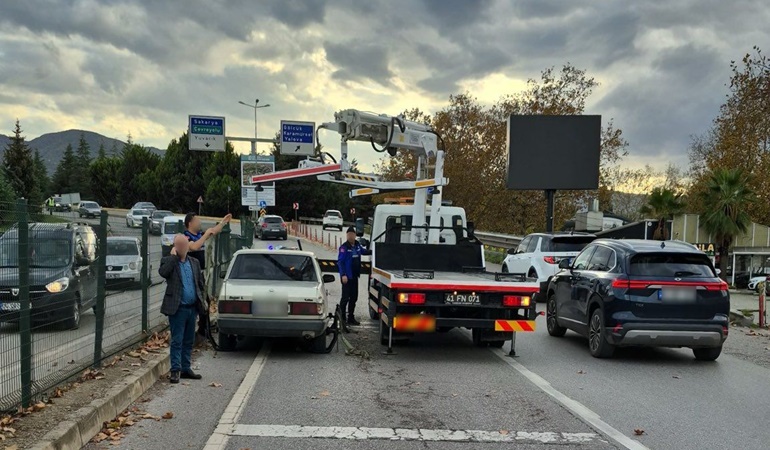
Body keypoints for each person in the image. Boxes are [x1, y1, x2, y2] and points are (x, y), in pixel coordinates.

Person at [159, 234, 207, 384]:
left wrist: (203, 299)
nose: (182, 248)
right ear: (175, 246)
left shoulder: (194, 262)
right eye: (178, 245)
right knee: (177, 340)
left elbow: (199, 282)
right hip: (177, 308)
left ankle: (186, 368)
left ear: (188, 246)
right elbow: (163, 273)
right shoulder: (169, 262)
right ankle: (175, 370)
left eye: (184, 245)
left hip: (192, 308)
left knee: (189, 340)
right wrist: (173, 257)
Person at [183, 212, 231, 338]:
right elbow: (194, 247)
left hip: (200, 275)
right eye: (197, 221)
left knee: (205, 301)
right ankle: (195, 330)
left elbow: (213, 231)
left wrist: (223, 222)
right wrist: (205, 236)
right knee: (197, 302)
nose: (199, 223)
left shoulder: (199, 235)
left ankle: (203, 329)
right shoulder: (186, 237)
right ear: (190, 223)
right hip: (191, 276)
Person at [337, 226, 371, 326]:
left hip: (355, 276)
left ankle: (350, 317)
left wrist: (375, 250)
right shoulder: (344, 247)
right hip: (347, 277)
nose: (351, 236)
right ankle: (342, 318)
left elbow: (364, 252)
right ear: (347, 235)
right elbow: (340, 262)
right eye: (349, 235)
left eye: (352, 234)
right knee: (345, 298)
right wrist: (343, 275)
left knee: (354, 298)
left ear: (355, 235)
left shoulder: (357, 245)